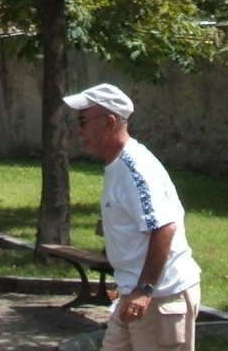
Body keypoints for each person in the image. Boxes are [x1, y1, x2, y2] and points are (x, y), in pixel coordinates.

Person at [63, 83, 201, 351]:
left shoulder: (134, 168)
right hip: (133, 295)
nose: (78, 130)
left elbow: (164, 228)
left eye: (82, 121)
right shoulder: (117, 165)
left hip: (160, 298)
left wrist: (144, 290)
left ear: (109, 122)